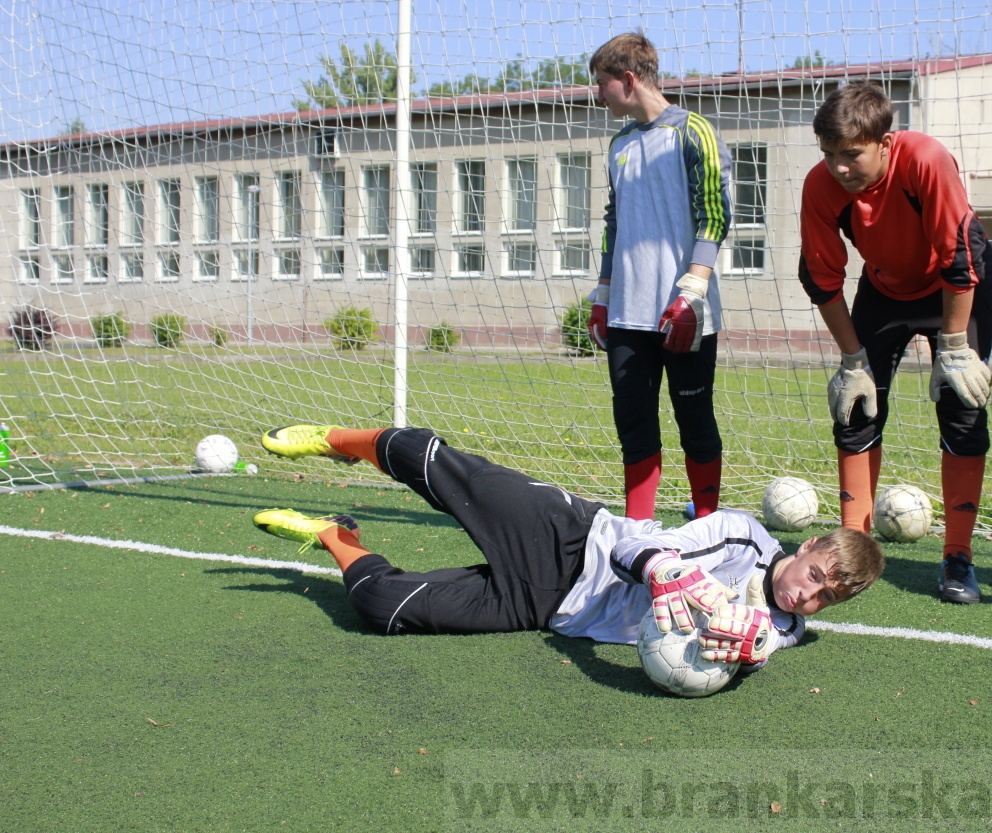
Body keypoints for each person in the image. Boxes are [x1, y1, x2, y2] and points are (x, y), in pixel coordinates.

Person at [255, 425, 884, 665]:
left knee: (382, 608)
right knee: (435, 463)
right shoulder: (742, 535)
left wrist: (752, 653)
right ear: (806, 546)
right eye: (816, 575)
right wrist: (666, 572)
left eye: (825, 598)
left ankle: (335, 534)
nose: (808, 596)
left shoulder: (784, 627)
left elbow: (766, 641)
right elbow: (638, 550)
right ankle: (337, 439)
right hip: (571, 537)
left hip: (550, 608)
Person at [798, 81, 992, 604]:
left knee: (962, 406)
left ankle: (958, 557)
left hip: (954, 287)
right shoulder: (820, 185)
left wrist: (953, 347)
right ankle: (851, 550)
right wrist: (852, 360)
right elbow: (821, 279)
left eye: (851, 154)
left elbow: (960, 256)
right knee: (855, 408)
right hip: (884, 290)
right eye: (829, 154)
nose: (839, 167)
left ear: (885, 143)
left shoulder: (926, 160)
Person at [586, 32, 733, 521]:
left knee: (695, 420)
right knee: (633, 423)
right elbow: (613, 223)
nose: (598, 95)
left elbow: (715, 215)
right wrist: (603, 294)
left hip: (684, 310)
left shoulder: (693, 131)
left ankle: (707, 523)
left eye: (602, 84)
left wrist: (693, 290)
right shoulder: (619, 144)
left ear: (628, 80)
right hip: (627, 314)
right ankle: (639, 527)